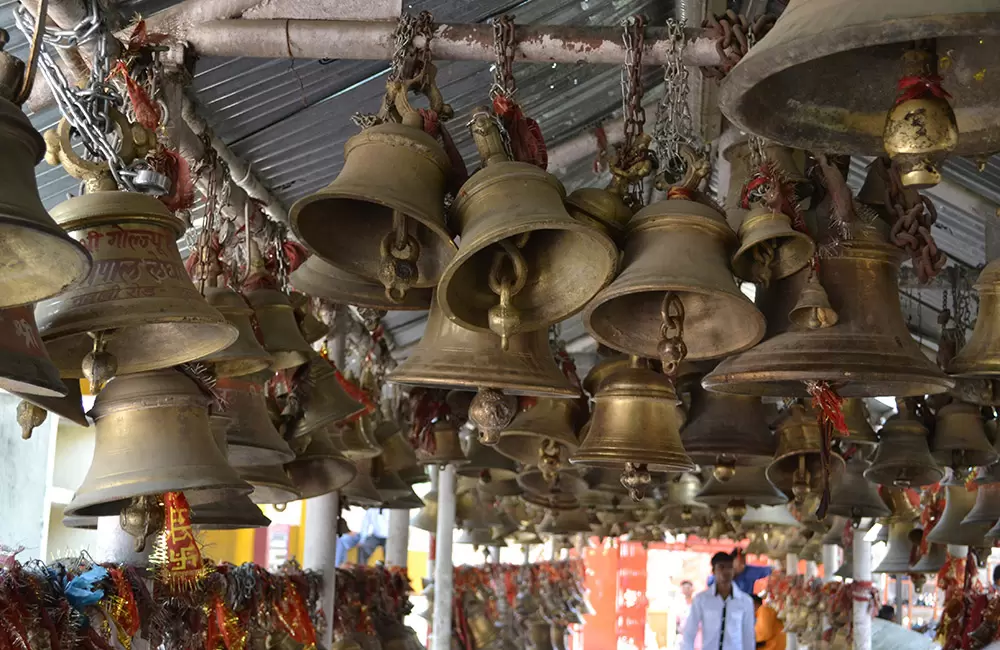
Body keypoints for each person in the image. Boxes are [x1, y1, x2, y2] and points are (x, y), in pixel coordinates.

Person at [682, 552, 756, 650]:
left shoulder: (745, 601)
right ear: (713, 571)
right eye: (721, 567)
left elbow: (748, 637)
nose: (726, 571)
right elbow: (689, 633)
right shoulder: (701, 599)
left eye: (729, 567)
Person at [708, 549, 773, 595]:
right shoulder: (718, 577)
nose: (743, 566)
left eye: (744, 562)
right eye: (740, 563)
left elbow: (770, 570)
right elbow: (710, 583)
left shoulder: (748, 571)